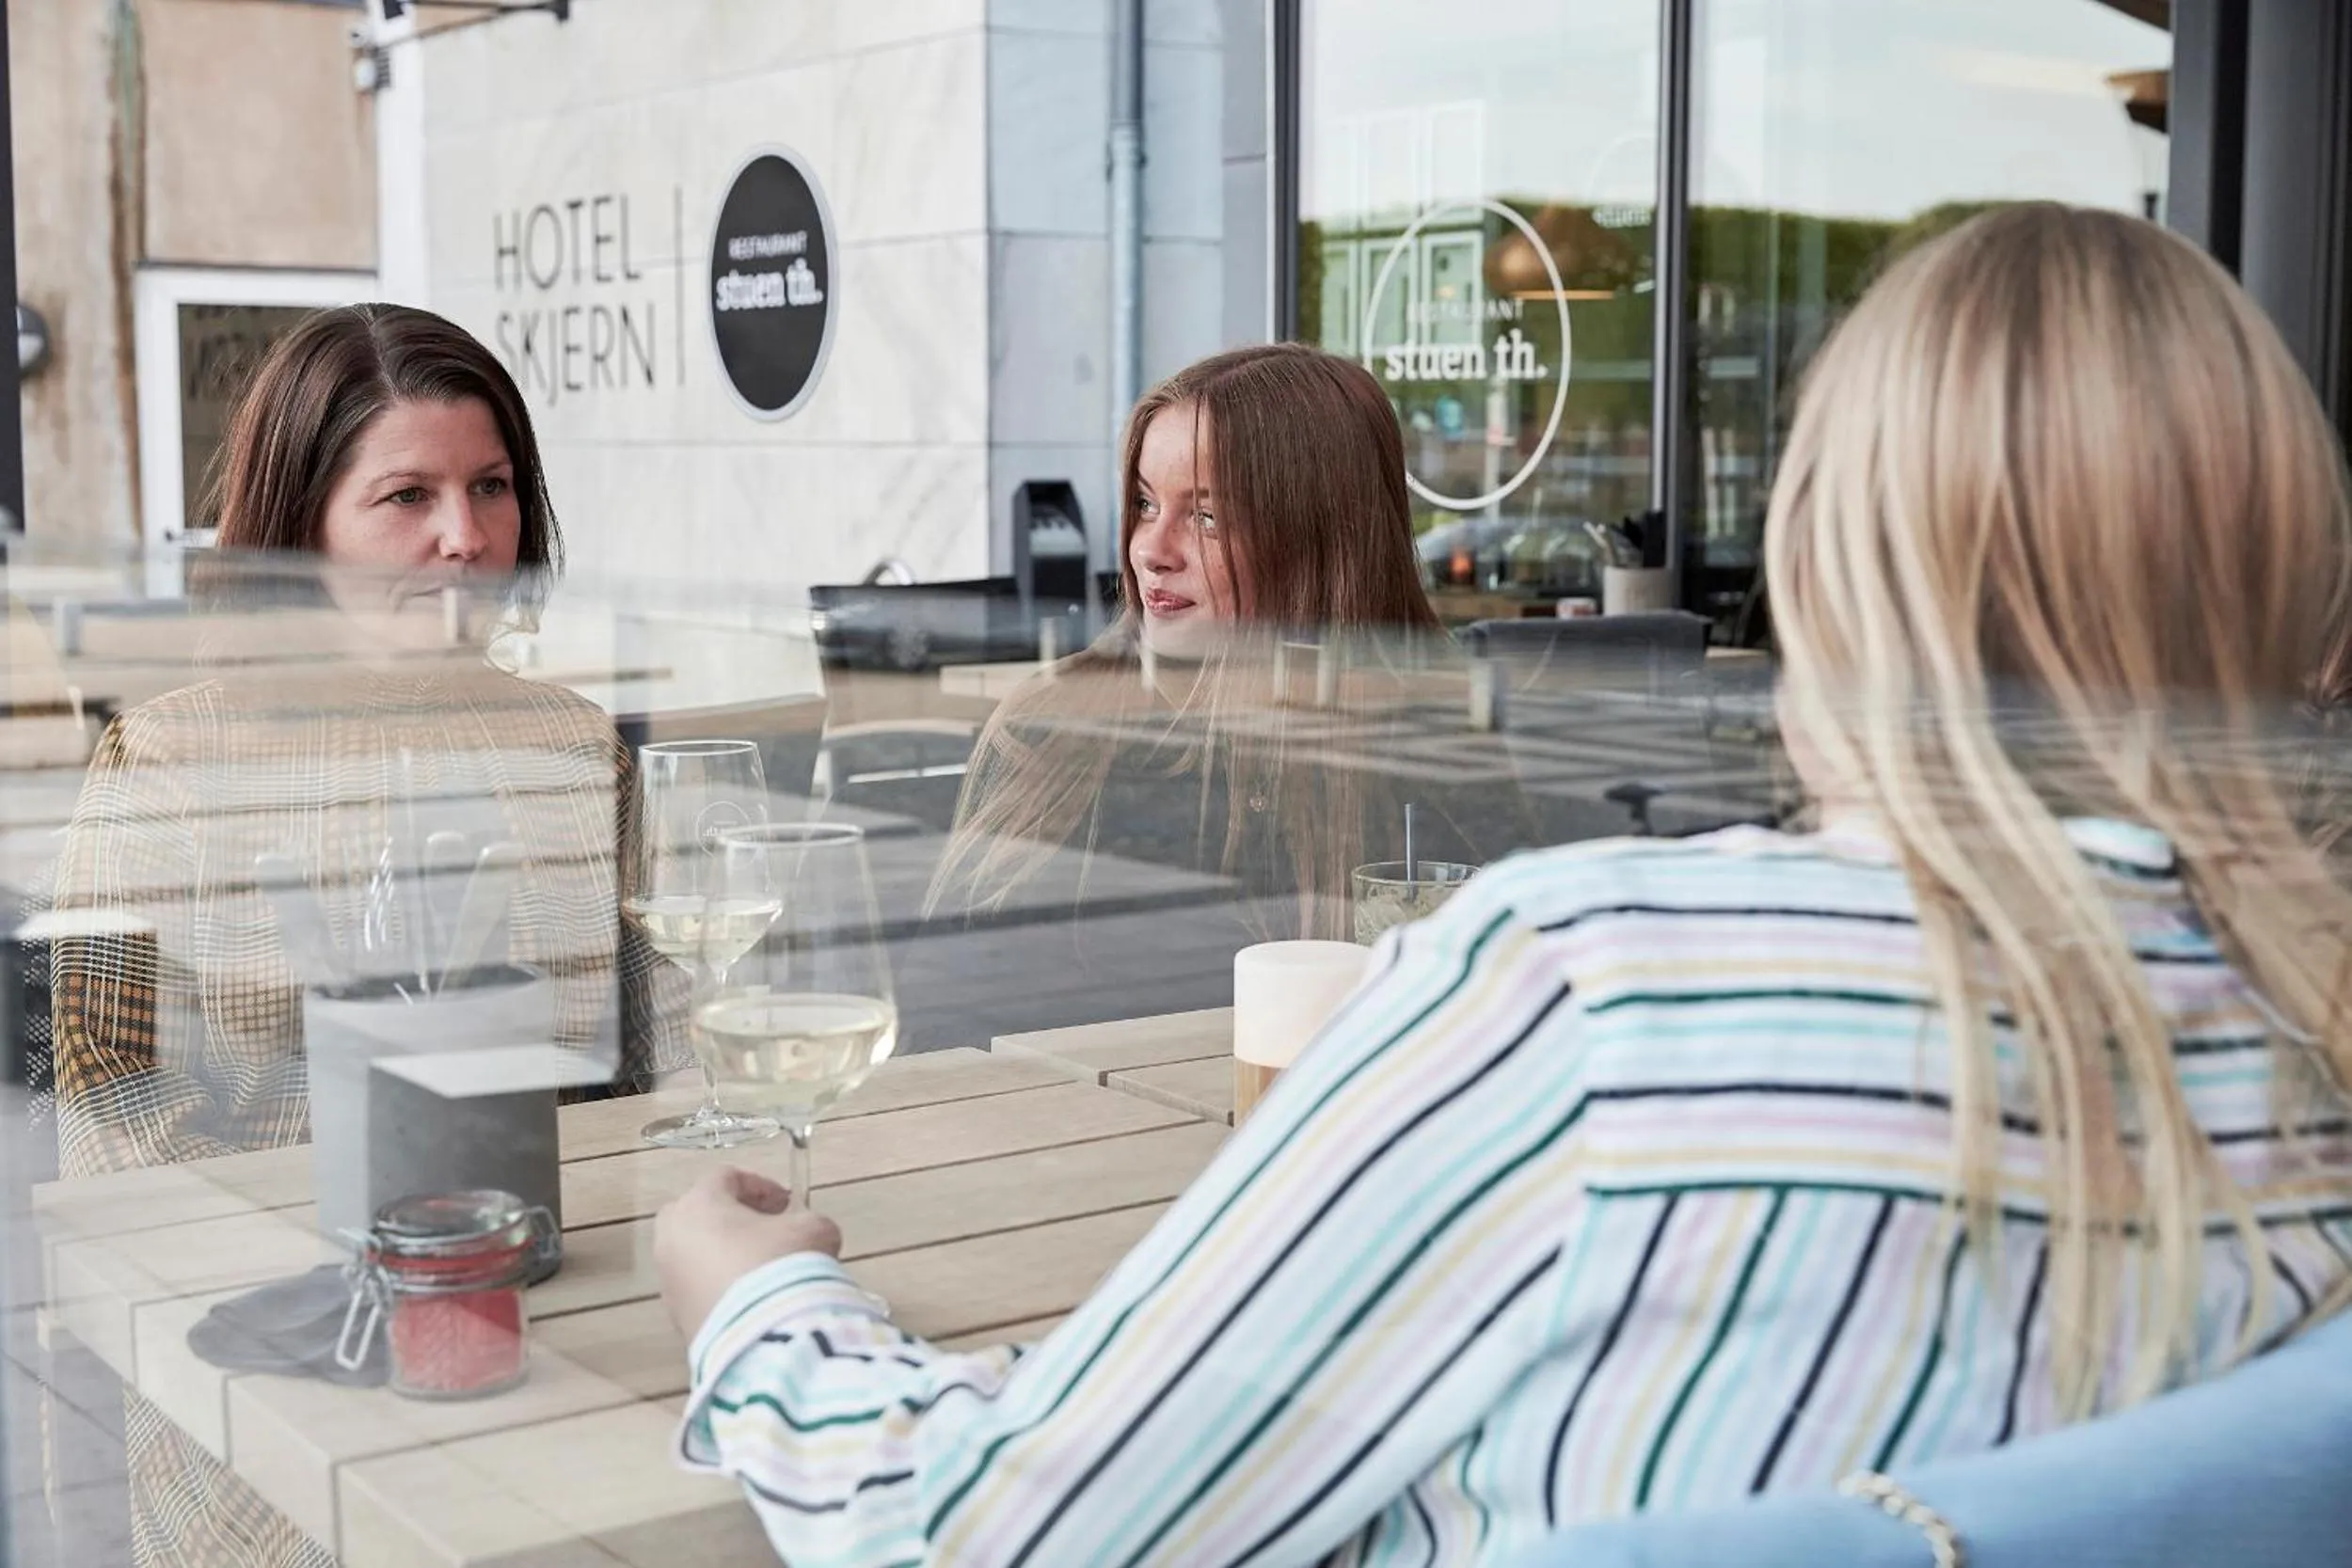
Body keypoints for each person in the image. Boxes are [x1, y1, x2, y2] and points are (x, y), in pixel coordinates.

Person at [655, 204, 2352, 1565]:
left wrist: (757, 1306)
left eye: (1209, 513)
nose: (1154, 550)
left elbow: (974, 1528)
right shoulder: (2311, 1052)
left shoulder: (1606, 1000)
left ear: (1829, 551)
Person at [49, 303, 671, 1567]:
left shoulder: (570, 743)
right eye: (408, 495)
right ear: (303, 529)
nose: (467, 536)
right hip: (281, 1368)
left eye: (492, 485)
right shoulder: (167, 759)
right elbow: (116, 1111)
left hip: (557, 1314)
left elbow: (639, 1068)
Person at [930, 342, 1507, 953]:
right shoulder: (1054, 730)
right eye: (1146, 503)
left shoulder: (1437, 738)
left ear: (1317, 538)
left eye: (1206, 518)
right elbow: (954, 994)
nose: (1151, 550)